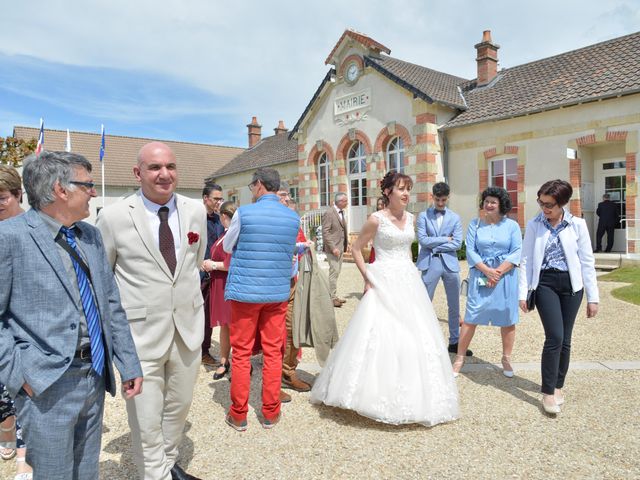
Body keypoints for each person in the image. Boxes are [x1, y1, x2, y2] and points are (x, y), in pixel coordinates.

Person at [0, 151, 142, 479]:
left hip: (93, 376)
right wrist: (20, 377)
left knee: (86, 472)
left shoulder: (89, 235)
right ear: (61, 189)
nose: (93, 192)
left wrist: (128, 363)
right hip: (45, 385)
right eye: (88, 185)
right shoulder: (10, 238)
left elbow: (110, 304)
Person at [311, 171, 459, 427]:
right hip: (383, 278)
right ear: (388, 192)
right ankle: (368, 393)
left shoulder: (412, 217)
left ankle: (415, 394)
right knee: (379, 333)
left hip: (408, 279)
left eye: (408, 189)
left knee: (414, 333)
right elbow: (357, 249)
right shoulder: (376, 219)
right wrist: (367, 276)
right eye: (401, 188)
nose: (405, 194)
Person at [97, 142, 206, 480]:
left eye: (170, 167)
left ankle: (165, 465)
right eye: (155, 167)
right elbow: (104, 279)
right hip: (140, 335)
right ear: (138, 173)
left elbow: (194, 262)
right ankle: (155, 476)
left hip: (187, 329)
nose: (164, 174)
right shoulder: (114, 217)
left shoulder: (196, 211)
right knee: (145, 419)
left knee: (178, 407)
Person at [223, 168, 299, 431]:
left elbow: (227, 245)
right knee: (273, 351)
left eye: (252, 185)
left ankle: (239, 413)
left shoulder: (244, 212)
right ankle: (270, 411)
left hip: (246, 292)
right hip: (276, 292)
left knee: (242, 353)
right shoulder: (293, 217)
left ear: (258, 186)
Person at [519, 179, 599, 415]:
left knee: (566, 339)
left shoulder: (578, 225)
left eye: (549, 204)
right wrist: (523, 292)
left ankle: (558, 384)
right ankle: (548, 392)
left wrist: (593, 298)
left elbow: (587, 261)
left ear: (562, 203)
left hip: (572, 286)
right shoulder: (535, 225)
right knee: (554, 336)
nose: (544, 208)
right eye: (541, 203)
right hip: (545, 284)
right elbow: (526, 260)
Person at [452, 187, 522, 378]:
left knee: (507, 318)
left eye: (493, 202)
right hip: (481, 274)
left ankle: (506, 358)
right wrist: (487, 271)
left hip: (505, 277)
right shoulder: (475, 224)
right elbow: (471, 252)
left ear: (501, 205)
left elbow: (516, 251)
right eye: (486, 201)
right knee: (471, 317)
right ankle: (459, 358)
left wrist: (497, 272)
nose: (489, 205)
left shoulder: (512, 226)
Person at [0, 165, 31, 480]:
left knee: (23, 392)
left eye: (2, 198)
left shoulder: (32, 228)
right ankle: (6, 429)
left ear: (19, 195)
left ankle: (25, 457)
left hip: (23, 328)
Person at [416, 182, 471, 356]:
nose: (441, 203)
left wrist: (437, 244)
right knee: (424, 302)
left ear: (448, 198)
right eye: (438, 199)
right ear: (432, 197)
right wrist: (444, 240)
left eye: (444, 200)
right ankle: (421, 340)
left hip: (450, 264)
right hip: (430, 262)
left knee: (454, 305)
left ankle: (454, 342)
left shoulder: (454, 217)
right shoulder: (423, 216)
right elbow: (423, 240)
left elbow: (456, 243)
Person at [276, 183, 313, 394]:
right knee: (273, 332)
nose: (286, 200)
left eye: (288, 197)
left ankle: (288, 372)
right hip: (271, 283)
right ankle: (271, 382)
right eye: (283, 196)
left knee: (292, 328)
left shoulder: (292, 220)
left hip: (291, 281)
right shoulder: (268, 220)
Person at [201, 201, 236, 381]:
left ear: (223, 216)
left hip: (228, 284)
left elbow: (231, 263)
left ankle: (238, 363)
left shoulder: (234, 235)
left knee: (233, 326)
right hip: (220, 283)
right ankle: (224, 361)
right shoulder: (225, 233)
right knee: (224, 326)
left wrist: (212, 264)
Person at [201, 183, 225, 367]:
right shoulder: (195, 219)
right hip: (196, 274)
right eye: (216, 198)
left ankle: (204, 351)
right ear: (205, 198)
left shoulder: (218, 220)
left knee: (208, 316)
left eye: (220, 198)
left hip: (213, 274)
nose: (219, 202)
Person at [322, 193, 349, 307]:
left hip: (340, 247)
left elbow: (341, 230)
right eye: (345, 201)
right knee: (334, 272)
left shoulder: (342, 212)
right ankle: (332, 298)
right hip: (333, 249)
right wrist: (333, 248)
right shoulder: (329, 213)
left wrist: (345, 243)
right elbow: (325, 232)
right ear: (340, 201)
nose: (347, 203)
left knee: (336, 273)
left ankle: (334, 295)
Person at [368, 196, 385, 263]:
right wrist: (371, 240)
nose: (380, 206)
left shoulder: (390, 216)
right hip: (377, 242)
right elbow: (371, 229)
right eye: (378, 204)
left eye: (381, 204)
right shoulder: (375, 216)